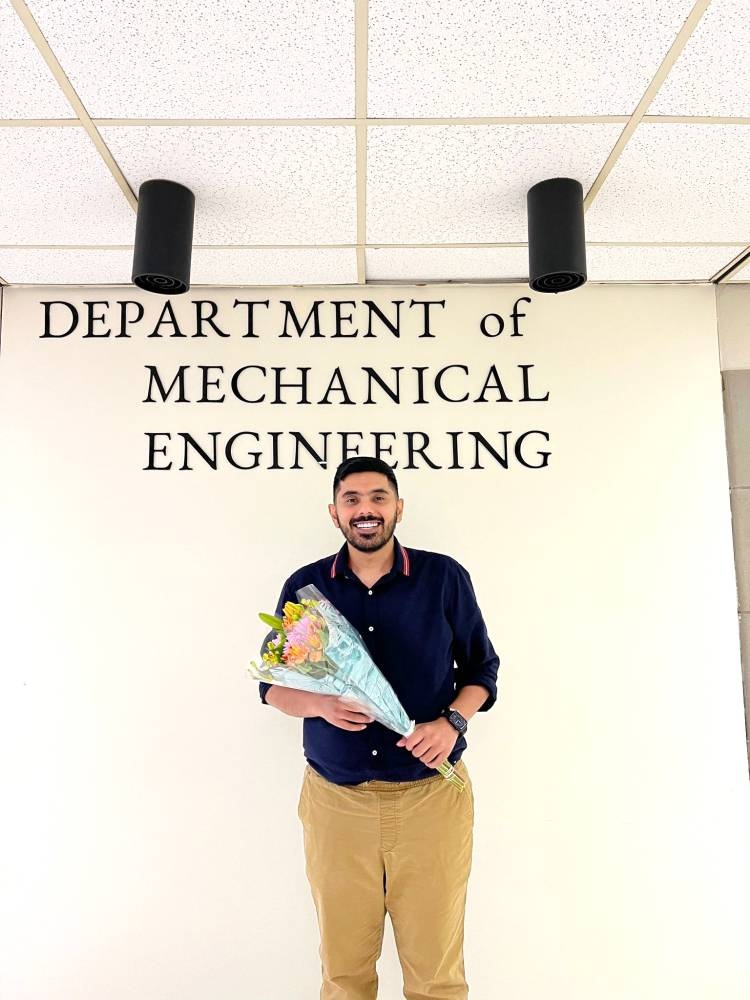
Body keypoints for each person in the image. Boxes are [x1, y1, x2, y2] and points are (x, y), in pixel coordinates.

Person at [258, 456, 500, 1000]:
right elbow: (271, 686)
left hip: (430, 799)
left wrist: (451, 722)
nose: (365, 509)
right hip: (336, 804)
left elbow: (482, 669)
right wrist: (320, 705)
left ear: (398, 508)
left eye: (377, 498)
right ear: (334, 512)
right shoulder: (306, 586)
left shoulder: (443, 577)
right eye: (352, 499)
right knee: (344, 975)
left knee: (436, 976)